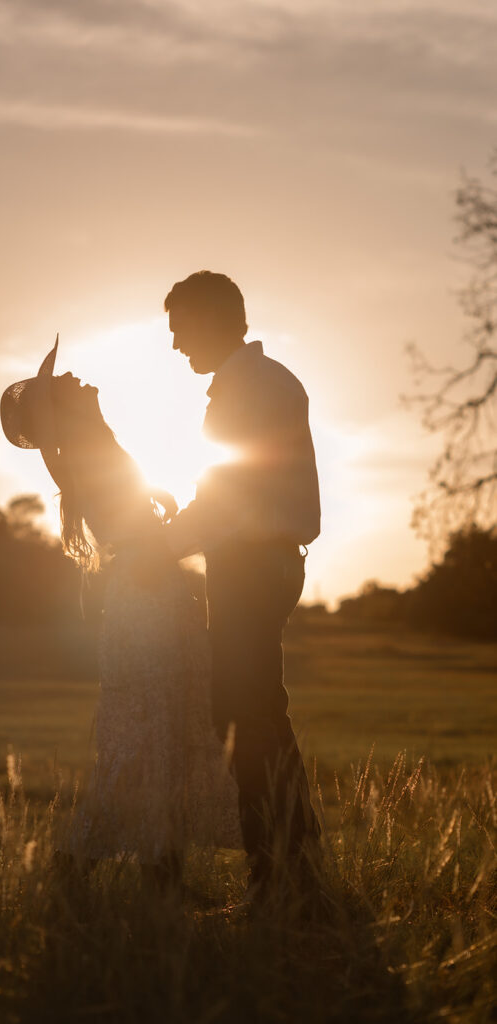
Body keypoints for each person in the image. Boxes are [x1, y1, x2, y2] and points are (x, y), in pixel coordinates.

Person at [0, 338, 241, 892]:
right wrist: (168, 530)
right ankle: (78, 867)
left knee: (169, 730)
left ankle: (160, 873)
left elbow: (120, 511)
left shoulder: (96, 443)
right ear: (62, 409)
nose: (77, 380)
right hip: (147, 598)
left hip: (149, 594)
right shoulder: (90, 447)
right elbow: (124, 526)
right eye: (65, 384)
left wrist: (155, 499)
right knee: (149, 736)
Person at [163, 271, 321, 902]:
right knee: (258, 713)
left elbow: (226, 499)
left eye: (180, 330)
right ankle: (294, 862)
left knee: (244, 716)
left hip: (254, 566)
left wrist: (157, 547)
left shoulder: (247, 389)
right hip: (264, 561)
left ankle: (277, 873)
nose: (176, 346)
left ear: (212, 320)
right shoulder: (259, 381)